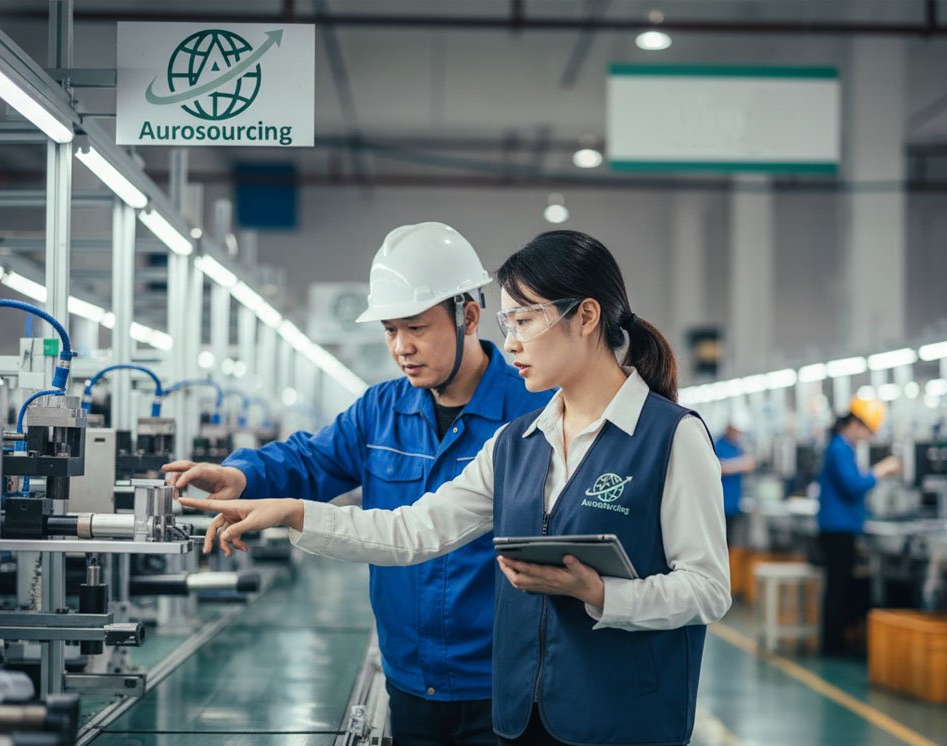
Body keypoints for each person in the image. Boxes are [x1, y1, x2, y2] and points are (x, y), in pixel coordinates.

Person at [179, 230, 732, 746]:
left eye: (524, 320)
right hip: (524, 715)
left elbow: (708, 589)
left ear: (586, 316)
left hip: (623, 720)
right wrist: (294, 512)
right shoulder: (518, 442)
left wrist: (602, 594)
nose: (511, 341)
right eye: (507, 323)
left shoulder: (672, 437)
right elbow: (413, 530)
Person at [164, 222, 552, 746]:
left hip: (507, 683)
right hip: (410, 679)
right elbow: (310, 460)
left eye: (415, 327)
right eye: (390, 330)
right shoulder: (381, 410)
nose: (401, 348)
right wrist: (242, 473)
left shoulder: (533, 412)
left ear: (469, 316)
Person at [817, 397, 901, 656]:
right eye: (867, 431)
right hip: (837, 528)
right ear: (855, 423)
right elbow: (852, 486)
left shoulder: (844, 448)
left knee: (842, 586)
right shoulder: (839, 448)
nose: (867, 437)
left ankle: (838, 640)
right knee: (838, 588)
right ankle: (832, 645)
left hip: (842, 527)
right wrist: (880, 471)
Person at [714, 414, 756, 543]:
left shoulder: (737, 447)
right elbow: (718, 467)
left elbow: (750, 465)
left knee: (731, 539)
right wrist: (741, 464)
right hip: (721, 502)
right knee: (720, 539)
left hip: (734, 502)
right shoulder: (717, 445)